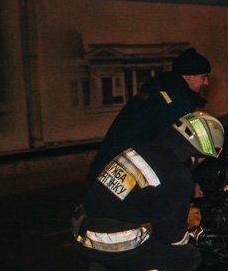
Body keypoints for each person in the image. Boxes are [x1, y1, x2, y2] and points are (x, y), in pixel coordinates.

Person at [73, 111, 224, 271]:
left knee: (147, 240)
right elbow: (171, 236)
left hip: (82, 226)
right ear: (197, 153)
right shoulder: (177, 174)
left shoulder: (142, 149)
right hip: (109, 240)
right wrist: (189, 231)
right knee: (185, 258)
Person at [86, 47, 212, 179]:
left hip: (109, 167)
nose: (206, 82)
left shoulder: (161, 89)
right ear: (188, 76)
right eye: (203, 77)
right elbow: (176, 150)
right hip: (122, 172)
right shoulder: (175, 102)